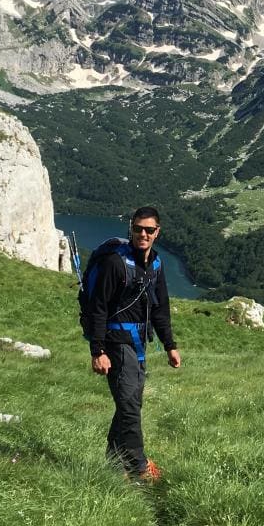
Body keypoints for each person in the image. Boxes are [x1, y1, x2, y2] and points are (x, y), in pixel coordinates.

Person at [80, 206, 181, 482]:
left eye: (149, 230)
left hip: (139, 344)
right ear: (131, 228)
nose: (143, 234)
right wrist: (97, 351)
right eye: (138, 229)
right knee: (129, 406)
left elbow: (161, 309)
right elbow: (99, 307)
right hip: (115, 342)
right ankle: (139, 467)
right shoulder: (115, 263)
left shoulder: (156, 265)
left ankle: (114, 464)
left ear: (157, 232)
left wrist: (169, 345)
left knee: (130, 402)